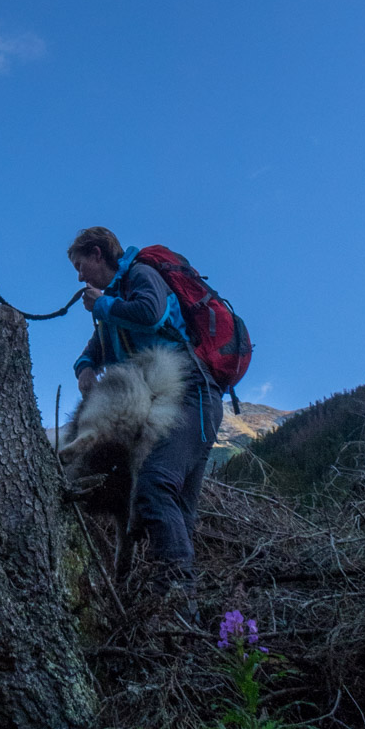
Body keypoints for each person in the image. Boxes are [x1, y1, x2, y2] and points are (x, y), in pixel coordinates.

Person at [68, 226, 223, 592]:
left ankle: (173, 597)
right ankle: (183, 613)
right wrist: (84, 366)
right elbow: (97, 346)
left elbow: (151, 313)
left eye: (79, 265)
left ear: (96, 254)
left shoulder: (140, 274)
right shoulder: (117, 300)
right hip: (170, 401)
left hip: (190, 395)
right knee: (178, 510)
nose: (78, 276)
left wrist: (101, 304)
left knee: (154, 487)